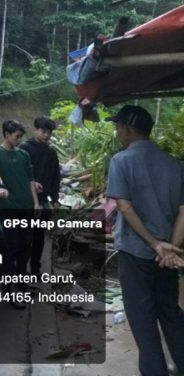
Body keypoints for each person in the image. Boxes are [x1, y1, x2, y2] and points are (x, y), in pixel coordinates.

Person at [104, 104, 184, 376]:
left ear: (127, 129)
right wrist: (170, 249)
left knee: (143, 320)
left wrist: (154, 245)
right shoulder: (173, 164)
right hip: (167, 258)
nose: (117, 133)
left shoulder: (121, 161)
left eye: (118, 127)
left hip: (136, 252)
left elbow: (124, 207)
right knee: (170, 312)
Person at [0, 119, 40, 309]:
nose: (19, 140)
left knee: (25, 246)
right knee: (9, 247)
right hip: (6, 208)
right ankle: (8, 285)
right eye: (17, 136)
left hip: (25, 206)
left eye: (20, 137)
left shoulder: (23, 155)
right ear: (6, 134)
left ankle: (20, 281)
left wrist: (35, 202)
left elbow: (30, 180)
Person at [20, 116, 62, 276]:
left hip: (43, 201)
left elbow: (56, 177)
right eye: (43, 132)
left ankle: (36, 269)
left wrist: (55, 199)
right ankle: (21, 270)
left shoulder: (51, 153)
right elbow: (19, 174)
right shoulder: (24, 149)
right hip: (25, 201)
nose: (46, 135)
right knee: (24, 238)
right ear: (35, 130)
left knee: (39, 237)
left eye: (49, 133)